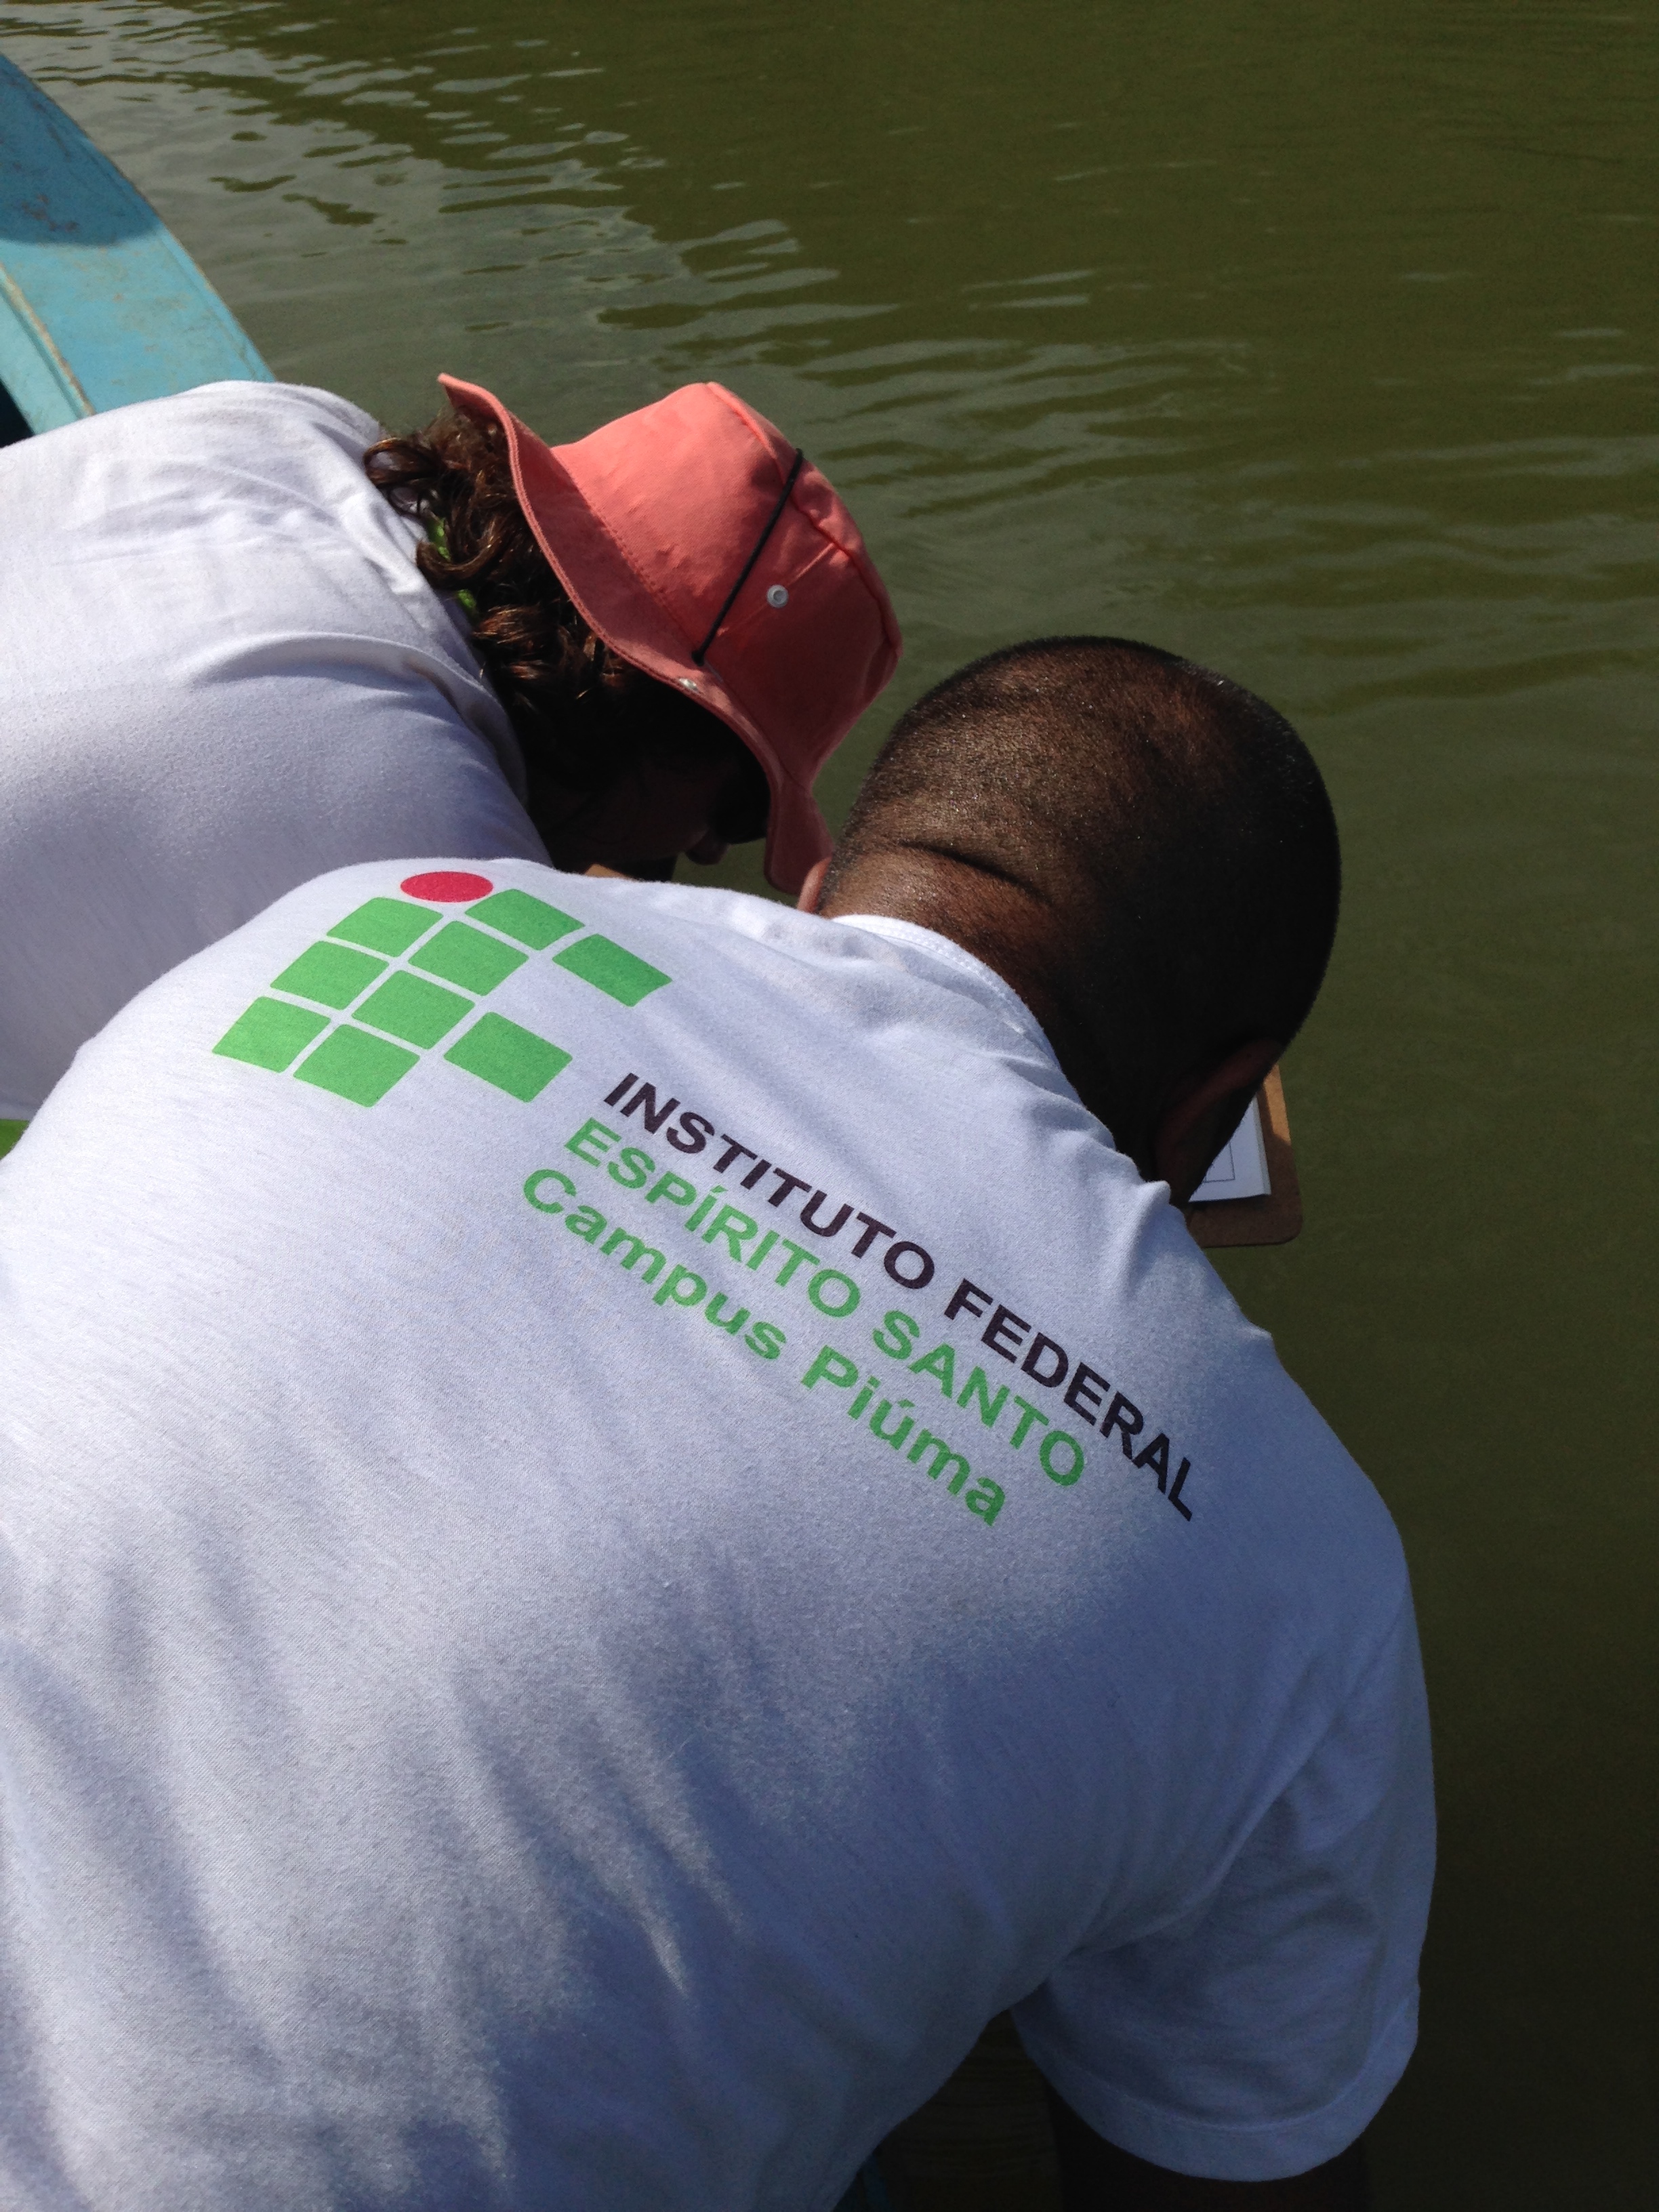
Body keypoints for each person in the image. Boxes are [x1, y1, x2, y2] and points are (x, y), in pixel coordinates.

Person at [0, 637, 1433, 2212]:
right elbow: (1226, 2174)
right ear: (1213, 1109)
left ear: (820, 890)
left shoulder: (371, 914)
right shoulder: (1291, 1552)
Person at [0, 372, 899, 1123]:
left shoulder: (289, 422)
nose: (703, 849)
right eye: (740, 811)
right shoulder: (427, 873)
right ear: (663, 724)